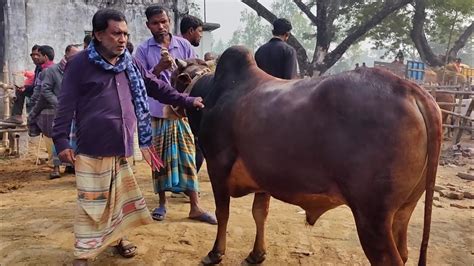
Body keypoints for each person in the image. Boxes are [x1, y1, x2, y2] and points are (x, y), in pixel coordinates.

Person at [52, 9, 204, 265]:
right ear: (99, 35)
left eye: (125, 34)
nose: (122, 39)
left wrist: (187, 100)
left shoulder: (129, 62)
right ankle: (84, 252)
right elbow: (65, 105)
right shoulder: (79, 65)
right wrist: (61, 141)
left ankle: (119, 239)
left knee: (119, 200)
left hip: (124, 144)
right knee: (92, 204)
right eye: (116, 33)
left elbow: (155, 86)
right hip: (92, 146)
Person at [135, 4, 216, 224]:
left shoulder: (183, 45)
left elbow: (198, 72)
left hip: (182, 111)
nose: (160, 26)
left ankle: (195, 206)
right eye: (155, 23)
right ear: (148, 25)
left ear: (169, 21)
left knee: (189, 156)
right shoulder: (142, 51)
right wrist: (159, 69)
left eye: (164, 22)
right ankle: (162, 203)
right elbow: (141, 81)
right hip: (158, 110)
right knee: (160, 159)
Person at [29, 44, 81, 179]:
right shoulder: (52, 71)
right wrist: (59, 103)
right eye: (74, 56)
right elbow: (45, 90)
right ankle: (56, 168)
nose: (77, 58)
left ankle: (72, 165)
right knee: (58, 138)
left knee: (74, 140)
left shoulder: (77, 71)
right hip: (58, 111)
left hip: (74, 111)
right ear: (66, 55)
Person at [2, 45, 43, 125]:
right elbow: (35, 86)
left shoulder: (45, 68)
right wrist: (24, 88)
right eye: (32, 55)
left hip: (43, 94)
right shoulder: (38, 67)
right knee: (20, 90)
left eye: (37, 55)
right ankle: (17, 116)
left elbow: (43, 88)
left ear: (43, 55)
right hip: (36, 91)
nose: (34, 57)